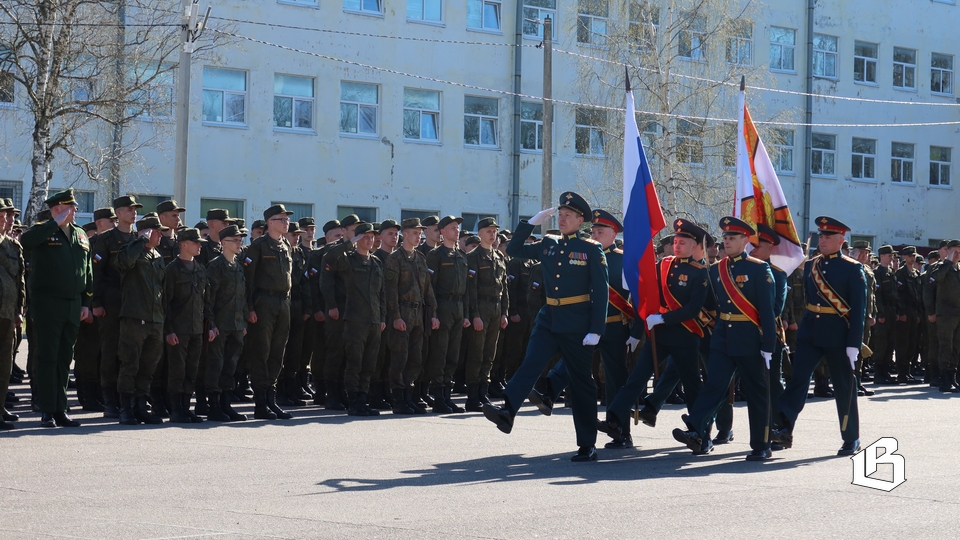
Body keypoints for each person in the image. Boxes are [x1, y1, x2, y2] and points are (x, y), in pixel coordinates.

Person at [483, 192, 608, 462]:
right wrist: (529, 223)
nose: (562, 219)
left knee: (581, 383)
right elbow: (514, 250)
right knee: (531, 363)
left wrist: (597, 328)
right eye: (560, 214)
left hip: (577, 323)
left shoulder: (591, 249)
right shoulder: (549, 244)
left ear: (580, 220)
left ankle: (587, 444)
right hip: (549, 318)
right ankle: (507, 412)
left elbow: (601, 291)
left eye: (568, 215)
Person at [672, 217, 777, 461]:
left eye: (732, 238)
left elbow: (767, 310)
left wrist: (769, 344)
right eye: (725, 238)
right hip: (722, 337)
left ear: (745, 240)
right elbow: (710, 304)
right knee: (714, 385)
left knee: (756, 392)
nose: (726, 242)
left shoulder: (759, 269)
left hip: (750, 339)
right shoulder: (715, 269)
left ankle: (761, 444)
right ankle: (696, 429)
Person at [598, 219, 709, 449]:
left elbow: (692, 309)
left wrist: (664, 318)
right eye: (676, 242)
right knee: (636, 379)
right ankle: (614, 420)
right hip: (659, 336)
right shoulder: (663, 265)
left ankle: (700, 434)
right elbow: (648, 294)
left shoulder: (700, 273)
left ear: (694, 246)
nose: (677, 246)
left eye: (683, 242)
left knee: (692, 386)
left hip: (685, 335)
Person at [772, 216, 866, 456]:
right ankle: (783, 430)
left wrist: (854, 343)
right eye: (821, 236)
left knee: (844, 386)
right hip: (810, 333)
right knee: (797, 380)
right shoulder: (811, 266)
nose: (822, 240)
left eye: (827, 237)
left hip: (839, 335)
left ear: (841, 240)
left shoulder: (853, 268)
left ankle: (851, 437)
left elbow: (859, 309)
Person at [20, 188, 93, 428]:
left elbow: (87, 271)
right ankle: (47, 409)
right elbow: (26, 242)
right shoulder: (43, 230)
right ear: (57, 209)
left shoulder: (80, 234)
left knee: (64, 359)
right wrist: (55, 223)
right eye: (70, 207)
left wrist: (86, 303)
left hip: (73, 304)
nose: (75, 210)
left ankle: (61, 409)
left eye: (75, 207)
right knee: (48, 357)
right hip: (48, 304)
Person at [322, 222, 386, 416]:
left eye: (372, 237)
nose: (370, 240)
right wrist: (349, 243)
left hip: (374, 320)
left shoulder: (376, 262)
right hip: (355, 319)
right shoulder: (348, 260)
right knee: (355, 363)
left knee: (369, 364)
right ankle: (354, 401)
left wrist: (382, 317)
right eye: (365, 236)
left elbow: (381, 293)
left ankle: (363, 400)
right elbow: (329, 257)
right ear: (357, 239)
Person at [243, 204, 295, 420]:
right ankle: (260, 403)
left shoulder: (286, 245)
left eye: (287, 219)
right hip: (264, 302)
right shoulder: (258, 246)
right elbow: (248, 280)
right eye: (282, 219)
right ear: (270, 223)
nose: (286, 223)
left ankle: (271, 400)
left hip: (283, 302)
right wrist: (250, 308)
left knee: (277, 353)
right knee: (261, 352)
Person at [91, 195, 141, 418]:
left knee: (131, 353)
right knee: (110, 351)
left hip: (134, 303)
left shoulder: (138, 238)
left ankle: (127, 399)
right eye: (129, 209)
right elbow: (96, 273)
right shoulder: (106, 239)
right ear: (118, 213)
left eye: (135, 210)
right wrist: (97, 303)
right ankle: (110, 400)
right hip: (112, 302)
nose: (134, 213)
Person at [384, 218, 439, 414]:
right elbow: (390, 291)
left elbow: (428, 289)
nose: (418, 236)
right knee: (400, 357)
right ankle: (399, 398)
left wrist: (433, 313)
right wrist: (396, 317)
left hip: (418, 313)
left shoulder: (420, 258)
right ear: (405, 234)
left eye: (420, 233)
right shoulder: (395, 259)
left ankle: (409, 396)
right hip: (402, 312)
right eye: (415, 233)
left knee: (416, 357)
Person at [203, 224, 249, 421]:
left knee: (230, 365)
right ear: (223, 243)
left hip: (236, 324)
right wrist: (211, 324)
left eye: (240, 240)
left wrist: (243, 322)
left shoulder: (238, 266)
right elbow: (209, 298)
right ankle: (213, 405)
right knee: (216, 364)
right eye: (235, 240)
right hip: (220, 325)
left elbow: (242, 296)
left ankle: (225, 404)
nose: (239, 244)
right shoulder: (216, 266)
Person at [424, 215, 469, 413]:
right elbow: (430, 288)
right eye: (452, 227)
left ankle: (447, 396)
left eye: (457, 227)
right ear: (442, 232)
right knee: (440, 353)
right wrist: (433, 313)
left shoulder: (461, 256)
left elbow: (467, 289)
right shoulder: (435, 256)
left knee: (453, 355)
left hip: (458, 307)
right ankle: (438, 397)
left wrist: (466, 313)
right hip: (442, 306)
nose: (456, 230)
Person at [163, 228, 208, 423]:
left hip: (196, 328)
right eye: (195, 243)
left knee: (192, 369)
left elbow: (206, 300)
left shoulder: (200, 269)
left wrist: (210, 324)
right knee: (177, 370)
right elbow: (166, 303)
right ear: (183, 244)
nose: (199, 246)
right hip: (179, 329)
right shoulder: (172, 270)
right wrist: (169, 330)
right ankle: (176, 409)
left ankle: (186, 407)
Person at [464, 217, 509, 411]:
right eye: (488, 231)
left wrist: (504, 312)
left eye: (494, 231)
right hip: (481, 308)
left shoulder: (498, 257)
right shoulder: (473, 257)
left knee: (490, 354)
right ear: (480, 233)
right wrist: (475, 315)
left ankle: (483, 392)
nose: (492, 235)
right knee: (477, 353)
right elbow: (470, 289)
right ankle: (473, 396)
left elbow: (504, 288)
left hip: (496, 308)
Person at [0, 198, 25, 430]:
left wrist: (19, 310)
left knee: (4, 364)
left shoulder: (13, 246)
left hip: (7, 313)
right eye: (1, 216)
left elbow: (20, 282)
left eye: (6, 216)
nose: (5, 220)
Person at [933, 240, 960, 392]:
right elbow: (937, 278)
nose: (957, 255)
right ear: (948, 252)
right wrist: (948, 262)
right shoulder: (941, 267)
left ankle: (952, 378)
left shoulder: (959, 268)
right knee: (946, 346)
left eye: (959, 252)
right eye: (954, 252)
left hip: (958, 314)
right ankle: (944, 380)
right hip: (946, 314)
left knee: (956, 346)